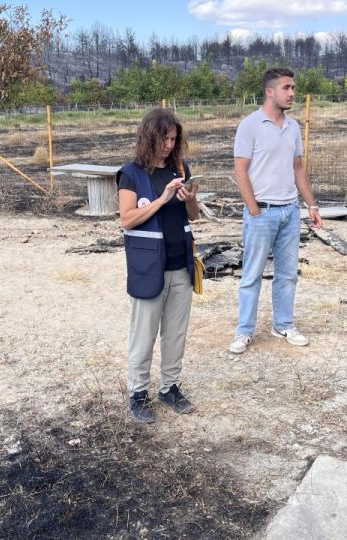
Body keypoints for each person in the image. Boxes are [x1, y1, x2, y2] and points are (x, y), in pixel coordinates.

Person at [229, 67, 323, 355]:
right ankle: (244, 331)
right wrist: (254, 210)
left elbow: (298, 168)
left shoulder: (292, 127)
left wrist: (311, 204)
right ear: (270, 92)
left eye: (293, 87)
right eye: (286, 88)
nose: (292, 93)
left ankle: (283, 324)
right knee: (252, 275)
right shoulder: (250, 125)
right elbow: (240, 170)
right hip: (262, 212)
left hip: (290, 211)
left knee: (287, 274)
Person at [117, 108, 200, 424]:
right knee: (144, 334)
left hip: (180, 265)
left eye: (173, 139)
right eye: (164, 138)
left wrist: (190, 198)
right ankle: (138, 393)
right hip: (149, 269)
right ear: (149, 137)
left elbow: (193, 216)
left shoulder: (180, 168)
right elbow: (127, 219)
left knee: (175, 333)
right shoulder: (131, 174)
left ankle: (169, 388)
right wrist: (162, 199)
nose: (169, 145)